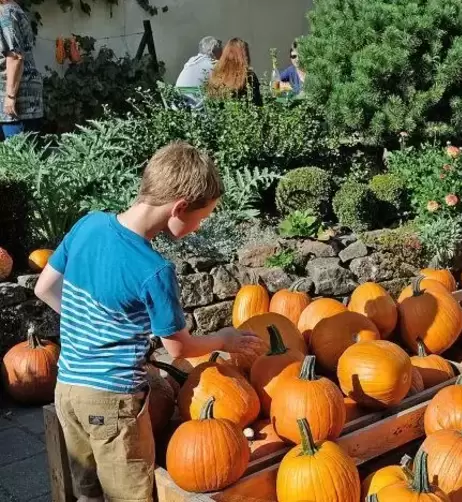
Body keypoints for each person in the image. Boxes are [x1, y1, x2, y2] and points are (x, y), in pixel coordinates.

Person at [34, 142, 266, 502]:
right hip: (113, 401)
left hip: (67, 389)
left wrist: (92, 325)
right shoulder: (153, 270)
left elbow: (44, 287)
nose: (198, 227)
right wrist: (224, 339)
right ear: (180, 207)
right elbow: (179, 347)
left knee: (87, 493)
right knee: (129, 495)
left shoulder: (89, 224)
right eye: (201, 218)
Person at [0, 0, 42, 139]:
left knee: (16, 155)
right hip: (25, 95)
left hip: (16, 100)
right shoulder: (14, 10)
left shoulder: (5, 13)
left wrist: (10, 97)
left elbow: (15, 56)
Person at [207, 38, 262, 105]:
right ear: (244, 56)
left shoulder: (215, 74)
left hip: (218, 114)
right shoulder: (248, 76)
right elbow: (258, 104)